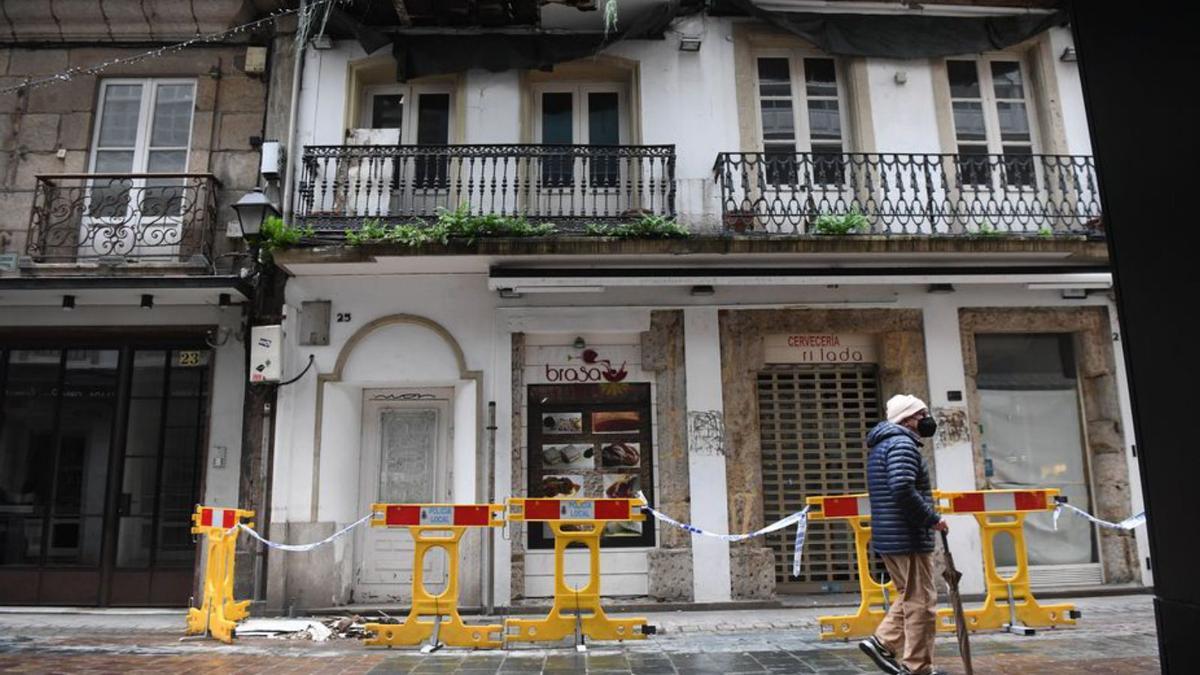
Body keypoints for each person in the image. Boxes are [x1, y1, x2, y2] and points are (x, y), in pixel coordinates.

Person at [859, 394, 947, 675]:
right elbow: (902, 489)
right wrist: (932, 519)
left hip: (893, 534)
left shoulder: (884, 445)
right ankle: (911, 662)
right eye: (922, 414)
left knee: (910, 596)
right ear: (907, 419)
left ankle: (887, 646)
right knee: (922, 602)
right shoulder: (901, 445)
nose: (926, 419)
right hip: (907, 535)